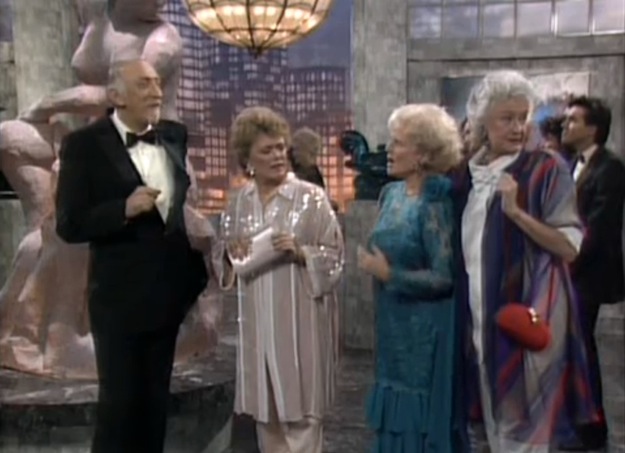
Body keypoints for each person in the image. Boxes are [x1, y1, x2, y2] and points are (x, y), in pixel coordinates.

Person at [55, 59, 208, 453]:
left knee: (155, 411)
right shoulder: (84, 145)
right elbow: (69, 224)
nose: (156, 91)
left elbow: (173, 211)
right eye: (144, 84)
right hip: (119, 302)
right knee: (119, 414)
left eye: (157, 83)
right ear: (116, 95)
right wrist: (122, 209)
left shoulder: (174, 135)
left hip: (168, 296)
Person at [451, 70, 601, 453]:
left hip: (529, 317)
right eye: (507, 118)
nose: (518, 127)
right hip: (477, 319)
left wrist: (517, 213)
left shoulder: (545, 169)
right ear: (483, 122)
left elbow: (569, 246)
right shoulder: (466, 176)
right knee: (489, 426)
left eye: (523, 117)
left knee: (525, 434)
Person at [219, 106, 344, 453]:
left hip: (300, 325)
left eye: (280, 148)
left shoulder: (311, 198)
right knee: (268, 418)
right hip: (257, 327)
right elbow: (223, 261)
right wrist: (230, 252)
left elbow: (335, 255)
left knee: (302, 421)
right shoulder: (238, 203)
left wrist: (301, 252)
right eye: (267, 150)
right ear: (248, 160)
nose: (277, 156)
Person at [358, 104, 466, 452]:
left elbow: (443, 277)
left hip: (423, 332)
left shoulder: (435, 202)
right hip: (391, 325)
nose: (388, 150)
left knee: (417, 419)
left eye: (398, 143)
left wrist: (390, 274)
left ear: (423, 155)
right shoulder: (390, 194)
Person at [561, 95, 625, 450]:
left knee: (582, 349)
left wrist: (567, 261)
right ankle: (575, 422)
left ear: (593, 128)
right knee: (572, 349)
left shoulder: (610, 168)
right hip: (568, 269)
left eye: (574, 120)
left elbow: (597, 229)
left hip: (587, 274)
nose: (566, 125)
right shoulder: (572, 162)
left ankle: (592, 430)